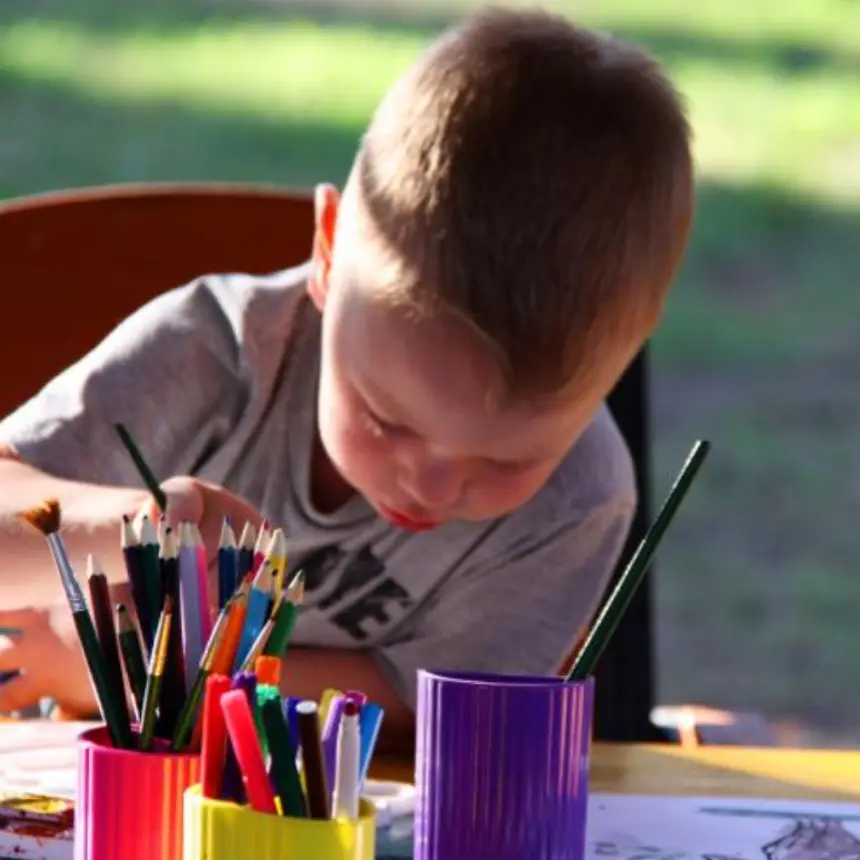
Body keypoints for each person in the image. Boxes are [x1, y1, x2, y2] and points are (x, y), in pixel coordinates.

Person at [0, 8, 693, 742]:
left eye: (506, 458)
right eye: (387, 418)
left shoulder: (578, 498)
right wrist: (150, 526)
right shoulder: (217, 352)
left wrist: (138, 678)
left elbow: (426, 711)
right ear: (328, 254)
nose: (431, 487)